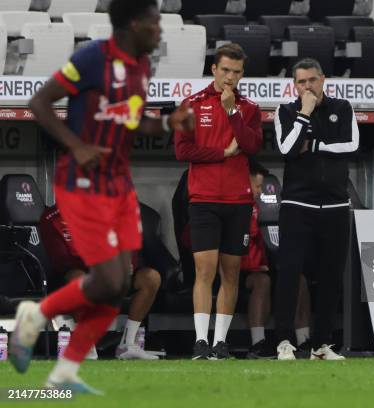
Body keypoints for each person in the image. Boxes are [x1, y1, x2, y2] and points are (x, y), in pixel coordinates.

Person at [9, 0, 193, 393]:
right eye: (154, 23)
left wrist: (165, 122)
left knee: (116, 284)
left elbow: (130, 120)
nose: (160, 31)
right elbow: (40, 103)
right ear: (131, 24)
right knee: (105, 281)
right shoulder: (91, 58)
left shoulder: (142, 67)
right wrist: (75, 145)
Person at [174, 43, 263, 360]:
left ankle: (220, 342)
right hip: (203, 200)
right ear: (213, 69)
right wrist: (221, 153)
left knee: (232, 272)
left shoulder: (249, 107)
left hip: (238, 202)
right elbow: (182, 151)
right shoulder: (191, 104)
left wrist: (232, 112)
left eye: (236, 72)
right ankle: (200, 341)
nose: (230, 77)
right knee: (204, 270)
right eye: (225, 70)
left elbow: (252, 145)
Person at [274, 58, 360, 360]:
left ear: (323, 79)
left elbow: (351, 145)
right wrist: (304, 114)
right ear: (294, 85)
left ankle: (322, 345)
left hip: (335, 206)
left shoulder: (343, 107)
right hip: (297, 205)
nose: (307, 86)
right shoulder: (285, 111)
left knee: (331, 276)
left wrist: (316, 146)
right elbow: (287, 149)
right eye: (301, 82)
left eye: (312, 80)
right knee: (289, 274)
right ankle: (284, 341)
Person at [39, 205, 160, 360]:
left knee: (151, 278)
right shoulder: (52, 218)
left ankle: (128, 344)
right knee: (78, 278)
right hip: (75, 273)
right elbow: (60, 259)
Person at [241, 159, 312, 359]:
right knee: (262, 281)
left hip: (262, 265)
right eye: (256, 186)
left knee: (299, 279)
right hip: (237, 270)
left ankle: (304, 340)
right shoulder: (234, 208)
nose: (259, 192)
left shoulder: (261, 212)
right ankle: (258, 343)